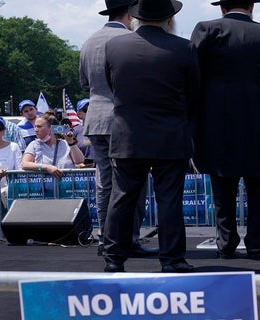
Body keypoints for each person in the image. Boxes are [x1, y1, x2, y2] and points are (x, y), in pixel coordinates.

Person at [103, 0, 198, 273]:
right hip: (170, 136)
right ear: (170, 20)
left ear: (135, 19)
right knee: (169, 200)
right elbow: (194, 94)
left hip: (128, 136)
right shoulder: (184, 48)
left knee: (121, 199)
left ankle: (113, 258)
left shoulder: (115, 46)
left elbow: (113, 87)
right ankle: (172, 259)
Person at [191, 0, 260, 259]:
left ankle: (226, 242)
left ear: (222, 7)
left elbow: (193, 70)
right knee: (259, 187)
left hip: (219, 119)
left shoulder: (206, 29)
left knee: (222, 188)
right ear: (251, 7)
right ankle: (257, 243)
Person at [79, 0, 155, 259]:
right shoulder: (130, 40)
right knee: (133, 184)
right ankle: (128, 239)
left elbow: (84, 81)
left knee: (105, 183)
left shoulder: (90, 40)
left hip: (96, 120)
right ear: (130, 14)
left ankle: (106, 239)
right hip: (124, 121)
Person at [20, 111, 85, 177]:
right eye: (35, 126)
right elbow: (24, 164)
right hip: (44, 186)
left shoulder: (65, 144)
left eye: (39, 127)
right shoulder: (34, 144)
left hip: (67, 185)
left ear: (51, 128)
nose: (36, 130)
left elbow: (79, 161)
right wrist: (46, 167)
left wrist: (71, 143)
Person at [71, 98, 93, 164]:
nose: (90, 111)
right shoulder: (74, 131)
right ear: (79, 114)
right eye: (86, 109)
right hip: (81, 172)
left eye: (92, 109)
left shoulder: (104, 129)